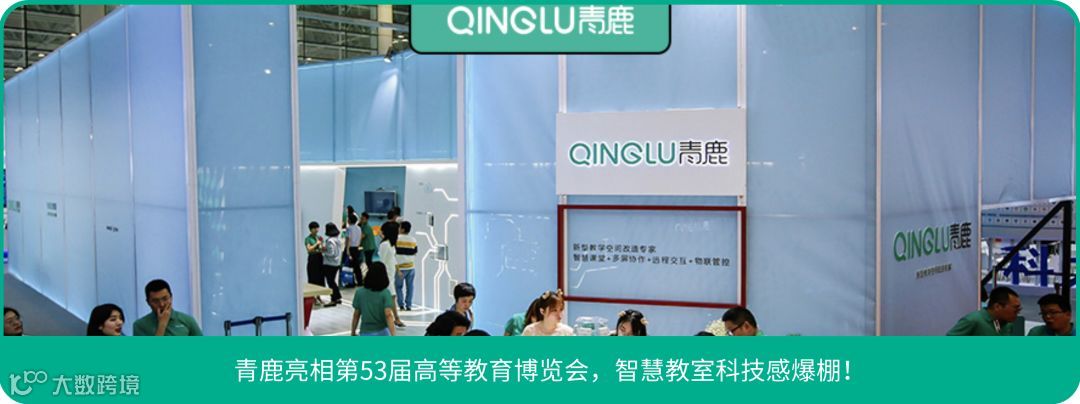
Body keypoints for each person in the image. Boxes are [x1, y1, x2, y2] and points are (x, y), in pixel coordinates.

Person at [133, 279, 202, 336]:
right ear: (148, 302)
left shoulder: (187, 320)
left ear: (171, 297)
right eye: (156, 301)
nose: (161, 304)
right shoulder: (140, 325)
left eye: (165, 299)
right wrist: (162, 325)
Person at [947, 286, 1021, 336]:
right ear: (997, 307)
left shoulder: (1008, 325)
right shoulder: (973, 321)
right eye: (1015, 308)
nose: (1018, 312)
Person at [350, 262, 397, 337]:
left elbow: (356, 315)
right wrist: (393, 335)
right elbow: (388, 315)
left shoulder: (360, 292)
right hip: (383, 332)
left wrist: (353, 332)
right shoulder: (385, 293)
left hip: (365, 332)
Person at [378, 221, 405, 327]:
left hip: (390, 274)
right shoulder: (385, 244)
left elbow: (392, 259)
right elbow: (382, 262)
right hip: (386, 276)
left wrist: (398, 270)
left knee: (390, 297)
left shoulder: (389, 244)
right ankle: (395, 318)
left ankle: (392, 318)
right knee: (391, 296)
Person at [395, 221, 418, 311]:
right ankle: (409, 305)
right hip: (411, 267)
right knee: (410, 287)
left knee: (398, 287)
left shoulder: (396, 239)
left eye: (399, 227)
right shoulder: (413, 240)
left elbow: (393, 253)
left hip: (400, 268)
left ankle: (401, 305)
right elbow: (415, 252)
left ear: (402, 229)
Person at [321, 223, 344, 306]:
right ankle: (337, 297)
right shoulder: (338, 240)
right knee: (332, 281)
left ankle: (333, 299)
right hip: (337, 263)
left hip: (329, 264)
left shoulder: (330, 241)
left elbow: (331, 253)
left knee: (330, 282)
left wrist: (323, 251)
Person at [304, 222, 326, 304]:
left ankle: (318, 296)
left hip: (320, 258)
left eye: (317, 228)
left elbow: (322, 249)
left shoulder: (319, 237)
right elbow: (309, 249)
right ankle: (312, 298)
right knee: (312, 278)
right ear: (311, 229)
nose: (316, 230)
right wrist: (317, 243)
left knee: (320, 278)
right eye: (314, 228)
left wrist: (323, 247)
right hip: (312, 259)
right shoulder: (308, 239)